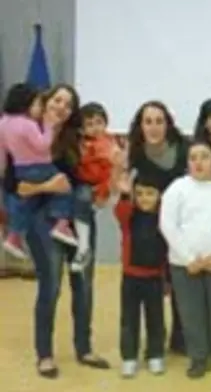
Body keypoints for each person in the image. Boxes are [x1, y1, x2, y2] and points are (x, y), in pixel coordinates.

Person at [5, 83, 110, 377]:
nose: (62, 107)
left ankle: (84, 348)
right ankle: (45, 354)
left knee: (84, 286)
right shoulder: (25, 132)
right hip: (42, 220)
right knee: (50, 287)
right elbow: (13, 184)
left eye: (68, 104)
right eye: (57, 100)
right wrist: (46, 187)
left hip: (79, 220)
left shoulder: (79, 137)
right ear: (46, 101)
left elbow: (87, 178)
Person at [160, 140, 211, 379]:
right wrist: (189, 258)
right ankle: (198, 356)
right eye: (193, 158)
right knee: (191, 313)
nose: (199, 162)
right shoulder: (177, 188)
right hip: (185, 265)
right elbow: (168, 225)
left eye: (205, 156)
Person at [126, 100, 189, 354]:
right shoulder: (133, 154)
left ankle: (181, 337)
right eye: (148, 122)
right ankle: (154, 341)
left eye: (159, 121)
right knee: (152, 285)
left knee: (180, 281)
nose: (153, 127)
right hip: (148, 227)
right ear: (140, 126)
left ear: (168, 124)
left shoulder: (185, 149)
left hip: (182, 225)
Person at [0, 84, 77, 257]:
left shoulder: (3, 123)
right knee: (64, 188)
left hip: (21, 169)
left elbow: (2, 154)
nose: (39, 108)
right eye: (37, 104)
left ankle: (14, 236)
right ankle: (62, 223)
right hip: (40, 167)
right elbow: (43, 145)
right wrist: (49, 126)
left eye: (68, 105)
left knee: (23, 204)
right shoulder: (29, 124)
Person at [114, 174, 167, 378]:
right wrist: (124, 194)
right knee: (129, 319)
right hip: (131, 278)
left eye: (150, 194)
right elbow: (120, 211)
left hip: (155, 277)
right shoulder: (129, 217)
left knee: (156, 318)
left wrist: (166, 279)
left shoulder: (164, 217)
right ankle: (129, 357)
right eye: (140, 194)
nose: (145, 198)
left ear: (159, 195)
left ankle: (155, 354)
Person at [74, 102, 120, 273]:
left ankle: (83, 246)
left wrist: (103, 191)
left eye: (99, 122)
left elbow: (112, 167)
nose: (95, 128)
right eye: (89, 124)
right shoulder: (81, 143)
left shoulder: (109, 142)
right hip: (86, 182)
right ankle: (83, 245)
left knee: (84, 199)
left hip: (102, 183)